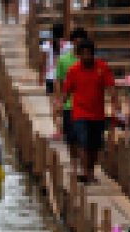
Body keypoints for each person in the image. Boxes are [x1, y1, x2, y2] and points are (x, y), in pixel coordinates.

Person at [60, 39, 119, 184]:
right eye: (84, 54)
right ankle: (87, 173)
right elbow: (67, 90)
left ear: (93, 54)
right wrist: (60, 105)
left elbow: (111, 86)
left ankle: (90, 171)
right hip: (80, 112)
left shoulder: (102, 68)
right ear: (79, 55)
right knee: (83, 142)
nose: (87, 57)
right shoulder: (73, 71)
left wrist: (115, 102)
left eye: (89, 53)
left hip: (97, 113)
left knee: (95, 145)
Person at [55, 27, 88, 173]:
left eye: (81, 42)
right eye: (76, 42)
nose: (78, 44)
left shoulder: (88, 61)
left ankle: (84, 167)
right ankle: (74, 164)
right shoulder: (64, 60)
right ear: (72, 43)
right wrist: (59, 100)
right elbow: (59, 80)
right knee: (71, 137)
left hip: (85, 105)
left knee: (84, 137)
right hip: (69, 104)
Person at [39, 23, 66, 95]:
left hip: (50, 76)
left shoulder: (46, 45)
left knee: (51, 98)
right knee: (62, 97)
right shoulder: (67, 45)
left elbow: (42, 62)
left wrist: (41, 77)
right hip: (62, 76)